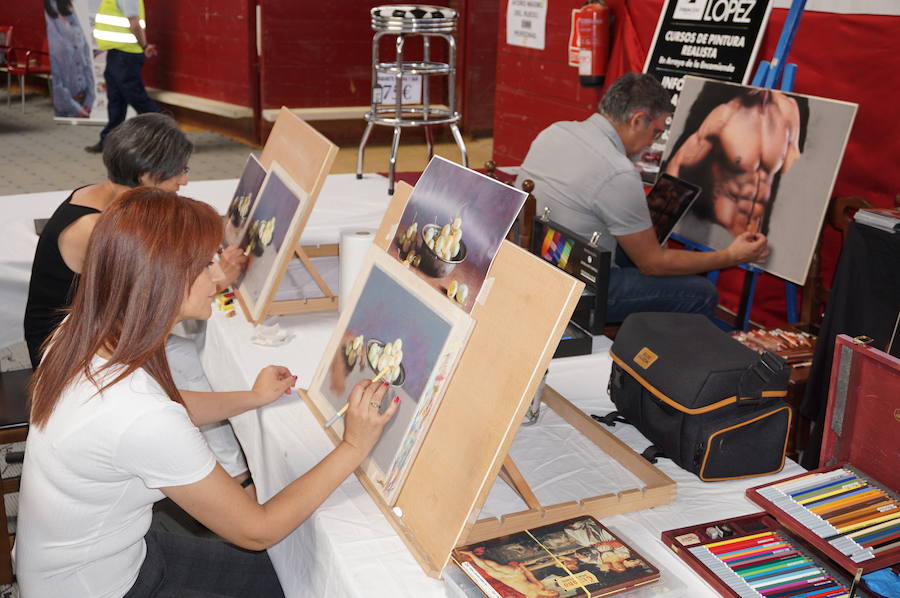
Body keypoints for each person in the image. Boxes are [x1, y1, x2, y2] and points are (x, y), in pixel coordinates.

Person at [15, 189, 401, 597]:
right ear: (164, 280)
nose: (217, 276)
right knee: (297, 579)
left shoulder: (81, 330)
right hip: (102, 586)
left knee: (287, 576)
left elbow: (167, 403)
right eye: (204, 265)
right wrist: (353, 447)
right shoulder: (139, 417)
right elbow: (258, 530)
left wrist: (251, 397)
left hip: (99, 557)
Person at [24, 112, 251, 489]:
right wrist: (216, 277)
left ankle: (227, 463)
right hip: (64, 348)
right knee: (182, 360)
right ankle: (234, 479)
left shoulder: (106, 195)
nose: (185, 180)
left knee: (188, 352)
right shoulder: (93, 228)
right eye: (178, 171)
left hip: (93, 326)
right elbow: (147, 305)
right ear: (146, 177)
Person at [516, 73, 769, 322]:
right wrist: (733, 256)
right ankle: (648, 358)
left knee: (643, 250)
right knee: (701, 294)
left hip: (538, 261)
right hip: (577, 285)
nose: (652, 143)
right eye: (657, 132)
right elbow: (652, 264)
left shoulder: (556, 130)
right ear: (638, 120)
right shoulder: (617, 171)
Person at [664, 86, 803, 237]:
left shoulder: (788, 109)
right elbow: (679, 163)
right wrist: (660, 222)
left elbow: (790, 166)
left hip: (755, 230)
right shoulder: (725, 115)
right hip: (720, 228)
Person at [85, 0, 160, 153]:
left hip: (126, 55)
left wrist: (144, 46)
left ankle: (168, 136)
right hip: (117, 53)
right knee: (116, 100)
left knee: (137, 98)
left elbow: (134, 23)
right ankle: (109, 141)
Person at [44, 0, 95, 118]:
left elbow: (86, 60)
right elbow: (56, 77)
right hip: (67, 108)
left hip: (84, 101)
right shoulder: (50, 19)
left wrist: (90, 98)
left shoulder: (71, 12)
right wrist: (76, 109)